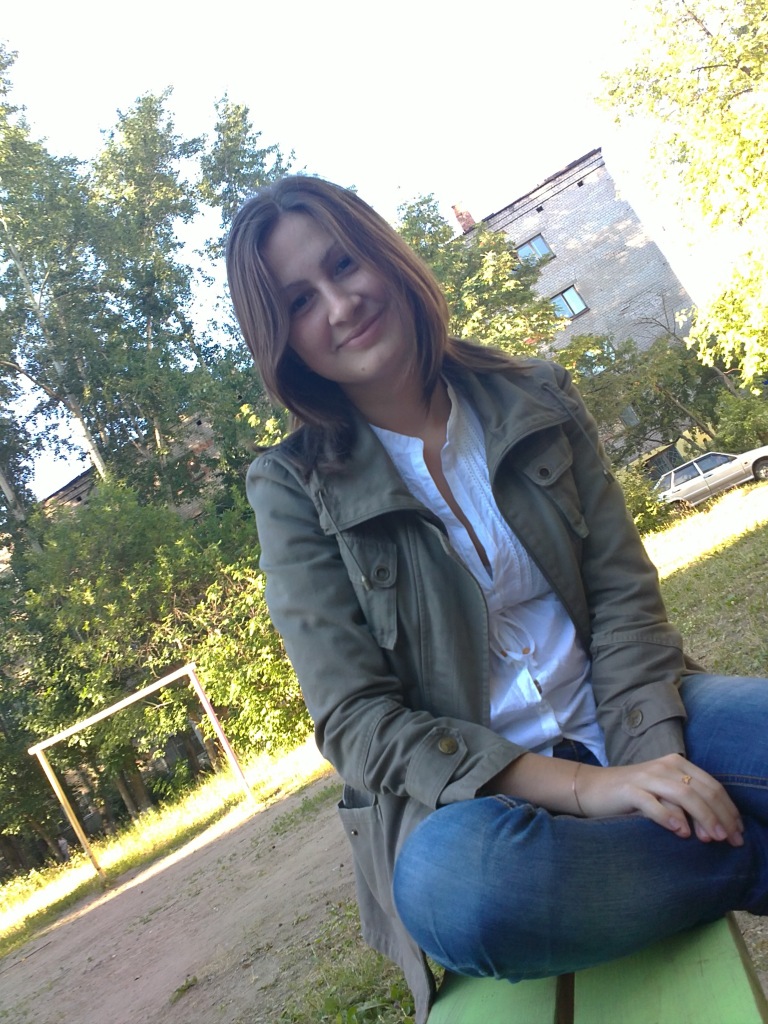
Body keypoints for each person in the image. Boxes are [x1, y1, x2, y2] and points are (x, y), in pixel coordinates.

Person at [226, 176, 768, 1024]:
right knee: (463, 891)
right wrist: (589, 792)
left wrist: (644, 763)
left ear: (385, 257)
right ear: (282, 339)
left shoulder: (536, 395)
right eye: (300, 300)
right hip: (474, 805)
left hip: (629, 712)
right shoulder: (291, 488)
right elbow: (355, 721)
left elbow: (623, 598)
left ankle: (628, 864)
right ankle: (748, 859)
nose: (339, 304)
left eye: (345, 264)